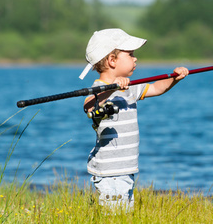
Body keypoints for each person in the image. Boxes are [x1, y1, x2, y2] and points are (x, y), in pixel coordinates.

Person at [79, 28, 189, 211]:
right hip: (109, 171)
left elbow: (156, 88)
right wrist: (113, 89)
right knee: (113, 215)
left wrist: (174, 78)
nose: (135, 58)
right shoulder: (99, 89)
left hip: (127, 168)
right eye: (130, 54)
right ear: (112, 60)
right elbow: (89, 106)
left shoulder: (129, 88)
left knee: (124, 213)